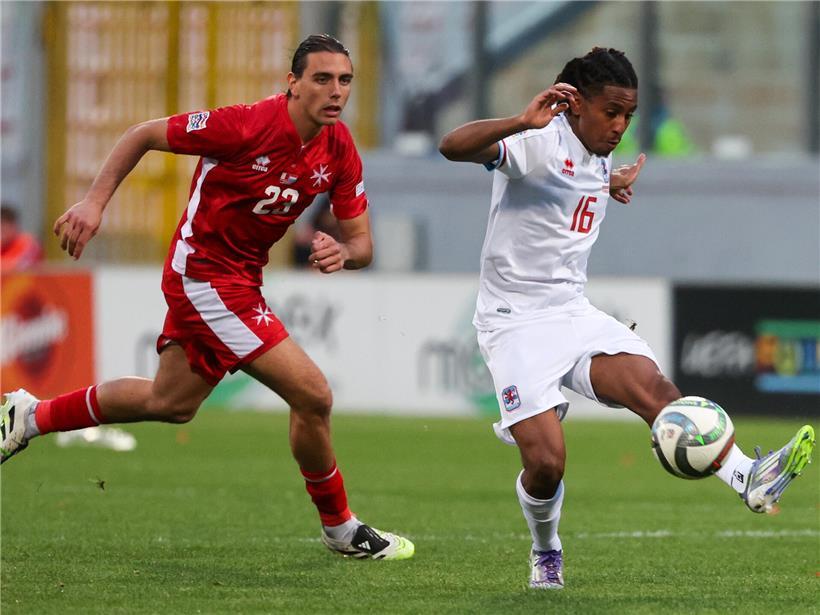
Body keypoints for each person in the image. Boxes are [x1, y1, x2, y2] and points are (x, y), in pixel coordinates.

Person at [0, 34, 414, 561]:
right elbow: (142, 134)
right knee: (313, 395)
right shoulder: (244, 125)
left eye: (345, 80)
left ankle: (29, 416)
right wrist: (94, 203)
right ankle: (341, 529)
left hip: (242, 279)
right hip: (203, 275)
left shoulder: (340, 149)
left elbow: (362, 245)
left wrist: (345, 253)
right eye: (322, 78)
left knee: (169, 402)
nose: (336, 91)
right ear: (292, 83)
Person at [438, 47, 814, 589]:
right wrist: (520, 120)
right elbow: (452, 146)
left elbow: (574, 180)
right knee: (546, 464)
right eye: (611, 112)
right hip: (513, 322)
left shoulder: (595, 154)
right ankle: (546, 550)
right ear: (576, 105)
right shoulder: (537, 142)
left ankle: (746, 478)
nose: (619, 126)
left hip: (572, 313)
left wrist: (606, 182)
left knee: (657, 391)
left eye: (628, 115)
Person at [1, 205, 44, 273]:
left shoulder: (29, 243)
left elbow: (18, 266)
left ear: (13, 226)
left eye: (3, 229)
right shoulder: (2, 245)